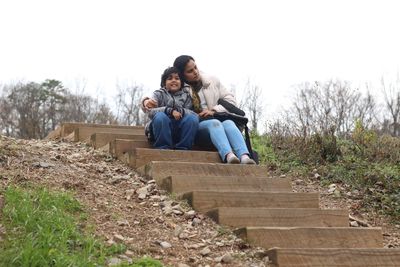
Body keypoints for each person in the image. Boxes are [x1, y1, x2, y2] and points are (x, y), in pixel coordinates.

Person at [173, 55, 256, 164]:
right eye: (190, 71)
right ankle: (228, 155)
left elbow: (230, 100)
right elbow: (162, 96)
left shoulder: (211, 81)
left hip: (218, 122)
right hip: (196, 128)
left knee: (229, 123)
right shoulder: (177, 86)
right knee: (214, 123)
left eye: (195, 67)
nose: (195, 72)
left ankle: (244, 157)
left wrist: (214, 110)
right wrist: (145, 101)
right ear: (182, 75)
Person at [143, 66, 199, 150]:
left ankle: (183, 148)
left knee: (192, 118)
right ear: (164, 82)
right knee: (160, 116)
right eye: (169, 78)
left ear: (181, 82)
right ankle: (163, 148)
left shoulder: (186, 96)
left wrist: (180, 111)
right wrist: (169, 111)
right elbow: (150, 112)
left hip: (178, 130)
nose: (173, 80)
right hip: (159, 130)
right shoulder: (158, 94)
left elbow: (193, 114)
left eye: (177, 78)